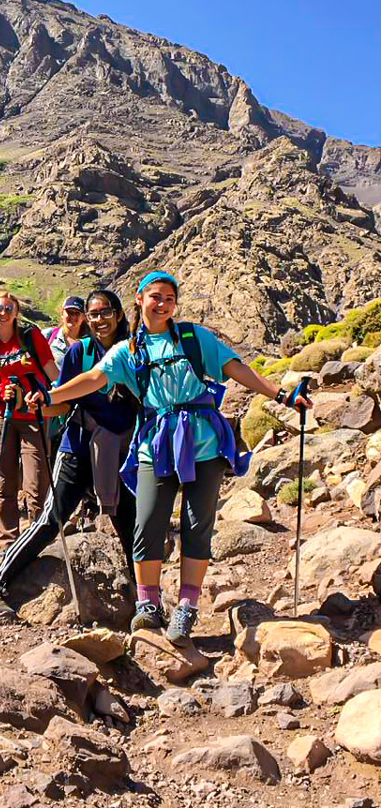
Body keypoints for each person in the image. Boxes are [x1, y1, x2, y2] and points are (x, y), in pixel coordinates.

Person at [25, 270, 312, 645]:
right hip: (156, 444)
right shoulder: (127, 351)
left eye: (168, 299)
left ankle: (187, 609)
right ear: (140, 298)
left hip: (204, 444)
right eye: (155, 296)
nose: (161, 304)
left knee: (197, 525)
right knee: (146, 523)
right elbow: (93, 379)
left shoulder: (194, 338)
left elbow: (235, 369)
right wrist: (52, 396)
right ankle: (149, 606)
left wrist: (281, 395)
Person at [0, 289, 138, 620]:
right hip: (78, 446)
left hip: (121, 452)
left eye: (106, 312)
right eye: (93, 314)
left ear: (119, 315)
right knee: (52, 518)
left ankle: (147, 601)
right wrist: (31, 402)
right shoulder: (81, 353)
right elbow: (63, 402)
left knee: (130, 522)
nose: (99, 319)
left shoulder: (136, 352)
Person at [0, 291, 59, 549]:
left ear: (16, 313)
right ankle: (6, 543)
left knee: (36, 482)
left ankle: (37, 542)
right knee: (3, 482)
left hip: (33, 415)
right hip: (3, 416)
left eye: (9, 309)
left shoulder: (30, 338)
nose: (4, 313)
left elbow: (53, 374)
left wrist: (54, 399)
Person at [43, 296, 89, 370]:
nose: (73, 316)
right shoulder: (48, 336)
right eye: (70, 312)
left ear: (84, 317)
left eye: (77, 313)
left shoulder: (90, 343)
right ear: (62, 313)